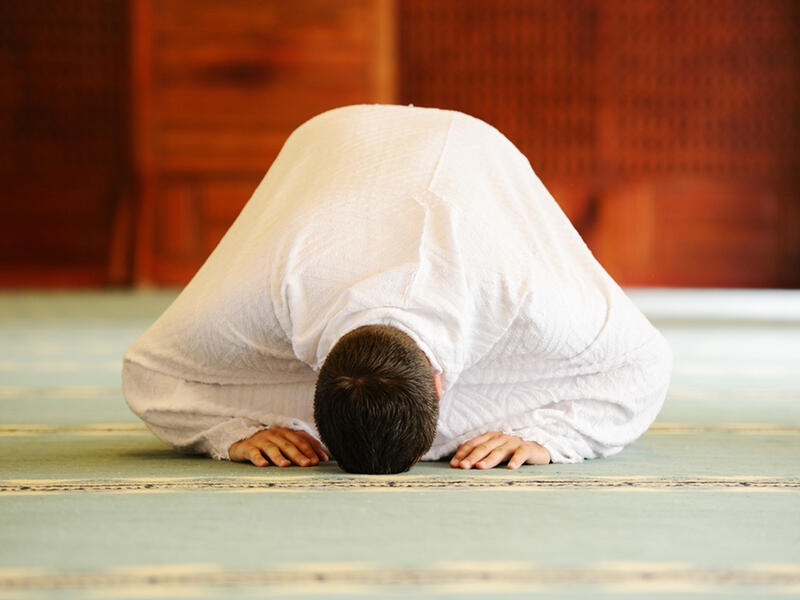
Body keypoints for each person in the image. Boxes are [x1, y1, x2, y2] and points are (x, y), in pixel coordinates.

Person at [122, 104, 672, 475]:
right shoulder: (270, 288)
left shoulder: (518, 289)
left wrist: (551, 440)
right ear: (313, 374)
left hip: (474, 149)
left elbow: (644, 365)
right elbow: (148, 370)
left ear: (438, 381)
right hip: (329, 142)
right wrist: (231, 435)